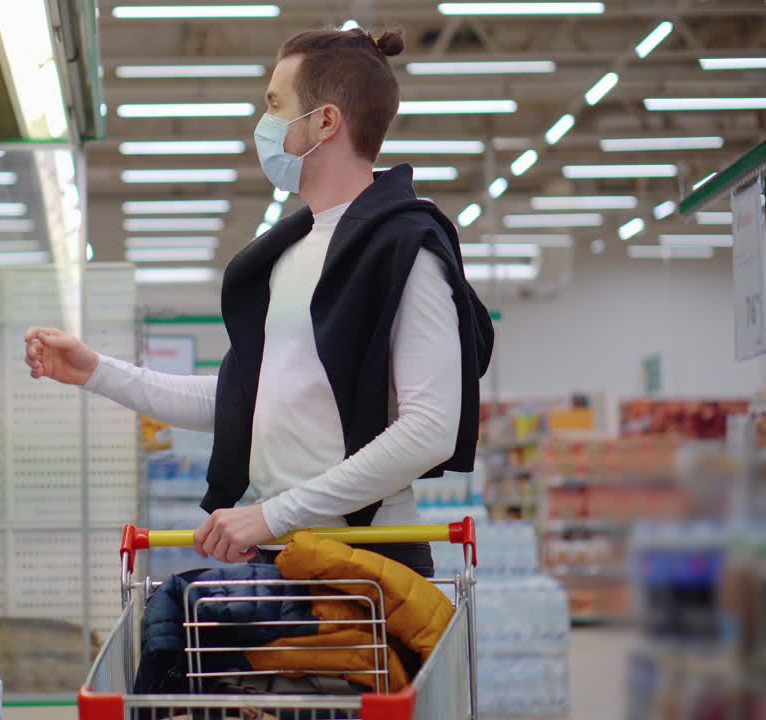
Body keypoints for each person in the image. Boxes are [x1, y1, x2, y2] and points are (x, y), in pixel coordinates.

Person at [24, 26, 493, 577]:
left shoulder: (405, 249)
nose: (264, 123)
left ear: (324, 122)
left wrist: (272, 514)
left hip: (372, 565)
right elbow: (238, 400)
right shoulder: (290, 254)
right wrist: (97, 372)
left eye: (275, 104)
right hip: (284, 557)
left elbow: (431, 429)